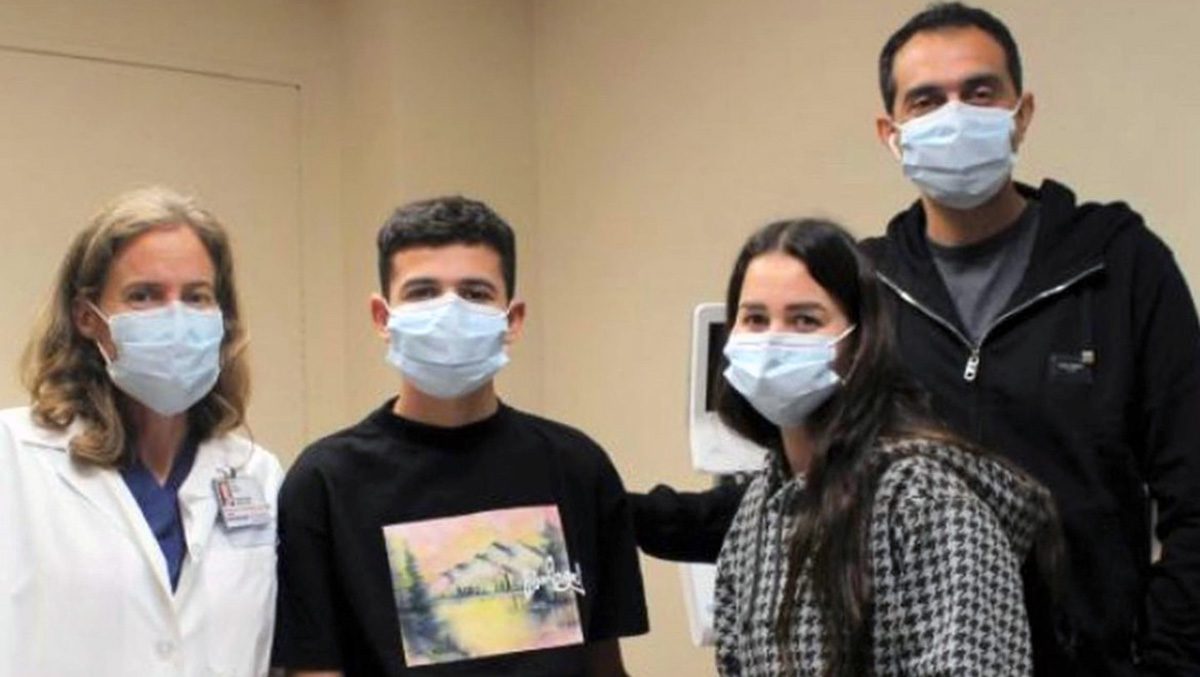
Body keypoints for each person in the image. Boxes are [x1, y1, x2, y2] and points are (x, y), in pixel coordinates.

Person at [636, 3, 1200, 674]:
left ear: (1020, 114)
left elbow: (1193, 492)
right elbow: (811, 484)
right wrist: (618, 513)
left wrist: (1168, 664)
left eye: (979, 91)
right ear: (891, 131)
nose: (954, 114)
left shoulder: (1118, 266)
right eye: (926, 100)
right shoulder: (867, 289)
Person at [271, 196, 648, 676]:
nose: (448, 310)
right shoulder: (325, 483)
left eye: (474, 293)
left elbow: (605, 666)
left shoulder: (577, 466)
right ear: (383, 318)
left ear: (512, 319)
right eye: (423, 292)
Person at [710, 217, 1056, 675]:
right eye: (755, 318)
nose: (774, 340)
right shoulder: (760, 506)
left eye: (805, 320)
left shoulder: (926, 505)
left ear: (859, 341)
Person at [0, 186, 283, 677]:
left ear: (222, 319)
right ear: (88, 317)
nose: (175, 317)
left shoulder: (257, 475)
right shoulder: (15, 458)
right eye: (144, 296)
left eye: (196, 297)